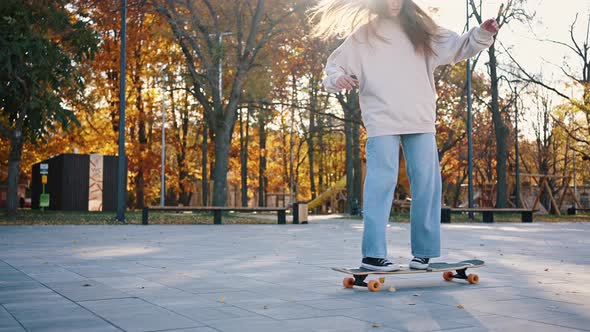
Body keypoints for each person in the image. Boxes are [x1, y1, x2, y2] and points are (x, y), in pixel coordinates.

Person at [309, 0, 498, 271]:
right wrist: (336, 80)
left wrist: (482, 32)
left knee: (426, 186)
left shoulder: (423, 31)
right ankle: (373, 255)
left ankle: (424, 253)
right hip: (381, 120)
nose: (394, 3)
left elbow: (460, 46)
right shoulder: (363, 36)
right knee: (379, 185)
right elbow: (334, 67)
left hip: (419, 118)